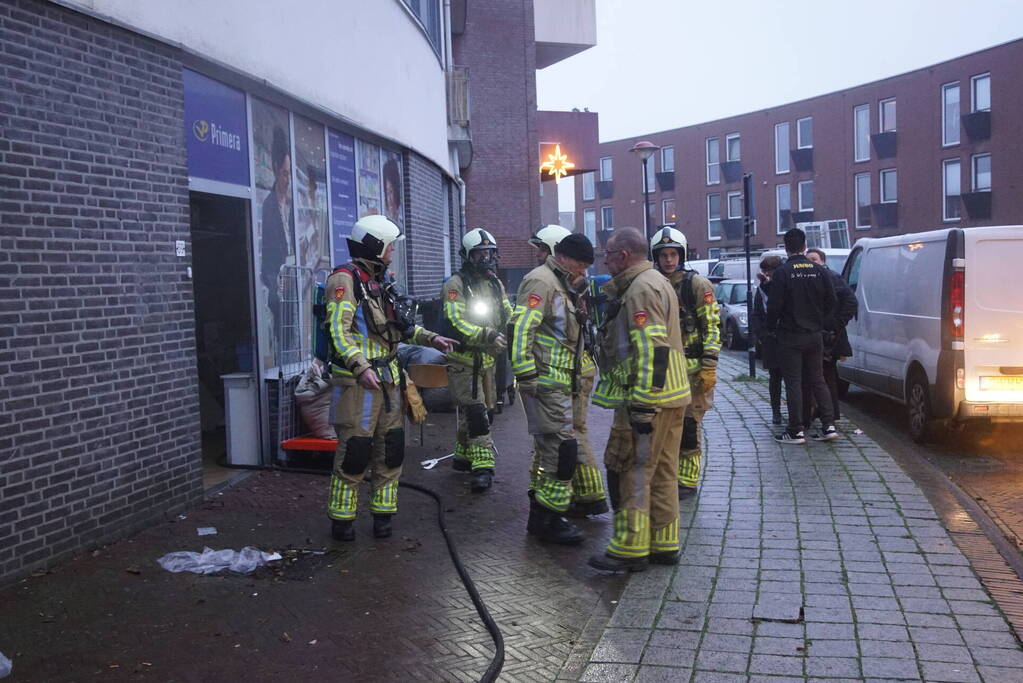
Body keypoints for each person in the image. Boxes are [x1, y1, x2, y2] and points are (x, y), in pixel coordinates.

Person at [324, 215, 457, 541]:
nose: (392, 252)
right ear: (375, 244)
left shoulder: (378, 282)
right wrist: (360, 366)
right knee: (355, 450)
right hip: (360, 384)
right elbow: (337, 332)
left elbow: (400, 325)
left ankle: (383, 518)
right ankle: (342, 522)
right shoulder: (345, 281)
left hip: (389, 379)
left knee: (392, 448)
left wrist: (432, 338)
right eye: (390, 246)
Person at [589, 228, 690, 572]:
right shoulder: (656, 281)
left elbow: (652, 348)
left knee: (632, 468)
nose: (604, 260)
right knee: (663, 470)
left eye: (608, 254)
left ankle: (630, 548)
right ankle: (664, 543)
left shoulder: (640, 289)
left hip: (650, 399)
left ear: (624, 255)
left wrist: (643, 404)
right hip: (673, 396)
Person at [512, 232, 608, 544]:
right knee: (560, 450)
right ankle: (548, 520)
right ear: (564, 257)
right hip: (546, 383)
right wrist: (527, 378)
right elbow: (522, 330)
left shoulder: (566, 282)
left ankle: (544, 517)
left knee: (558, 449)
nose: (583, 272)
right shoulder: (542, 281)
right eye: (581, 265)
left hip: (563, 382)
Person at [649, 227, 721, 498]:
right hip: (664, 372)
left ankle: (688, 481)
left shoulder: (697, 285)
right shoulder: (652, 283)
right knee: (664, 428)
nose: (669, 260)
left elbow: (712, 326)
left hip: (693, 373)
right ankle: (666, 476)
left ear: (681, 254)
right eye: (664, 254)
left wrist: (709, 365)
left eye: (673, 254)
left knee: (690, 426)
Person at [441, 228, 513, 492]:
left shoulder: (495, 283)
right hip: (464, 361)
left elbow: (507, 310)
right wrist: (488, 334)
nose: (485, 259)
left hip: (488, 359)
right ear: (467, 256)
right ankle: (483, 468)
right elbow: (455, 321)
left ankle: (462, 457)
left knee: (485, 412)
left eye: (489, 253)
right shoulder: (455, 285)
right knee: (477, 414)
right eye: (479, 254)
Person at [765, 228, 838, 444]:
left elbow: (774, 306)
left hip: (790, 336)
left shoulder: (783, 272)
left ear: (786, 247)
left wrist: (771, 328)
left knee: (793, 382)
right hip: (815, 335)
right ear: (805, 246)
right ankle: (828, 425)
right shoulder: (819, 270)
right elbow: (832, 301)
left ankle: (795, 430)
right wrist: (821, 323)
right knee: (818, 379)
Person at [804, 248, 858, 428]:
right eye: (808, 260)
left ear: (822, 261)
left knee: (826, 374)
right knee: (824, 374)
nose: (811, 263)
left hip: (829, 337)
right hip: (820, 333)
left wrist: (836, 323)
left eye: (814, 259)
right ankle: (826, 413)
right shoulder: (810, 279)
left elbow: (851, 302)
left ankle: (828, 414)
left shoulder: (832, 277)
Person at [260, 126, 295, 350]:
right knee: (284, 330)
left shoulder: (292, 205)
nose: (288, 179)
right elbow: (270, 255)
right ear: (274, 169)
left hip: (292, 277)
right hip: (279, 281)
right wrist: (278, 282)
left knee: (293, 328)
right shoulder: (268, 206)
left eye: (290, 173)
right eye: (284, 173)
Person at [749, 255, 785, 425]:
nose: (766, 273)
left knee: (792, 378)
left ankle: (796, 411)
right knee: (774, 377)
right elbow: (756, 313)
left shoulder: (781, 285)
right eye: (764, 270)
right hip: (771, 340)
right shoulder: (761, 289)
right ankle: (776, 411)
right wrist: (761, 334)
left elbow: (778, 302)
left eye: (769, 270)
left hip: (786, 338)